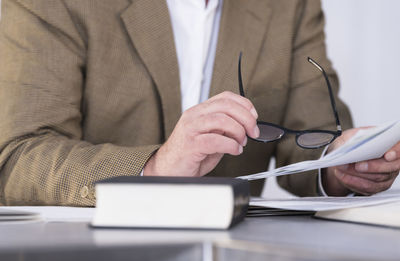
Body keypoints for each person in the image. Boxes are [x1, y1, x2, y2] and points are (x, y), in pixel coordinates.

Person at [0, 0, 398, 206]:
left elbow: (312, 135)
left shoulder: (288, 6)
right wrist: (155, 168)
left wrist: (341, 165)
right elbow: (18, 158)